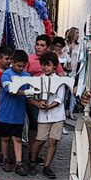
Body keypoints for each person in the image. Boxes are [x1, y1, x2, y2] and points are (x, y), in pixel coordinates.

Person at [26, 34, 65, 166]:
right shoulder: (37, 77)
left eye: (48, 65)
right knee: (39, 138)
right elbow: (29, 95)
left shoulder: (59, 79)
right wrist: (37, 103)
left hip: (57, 114)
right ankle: (32, 159)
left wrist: (50, 105)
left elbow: (60, 97)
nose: (45, 68)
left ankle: (47, 166)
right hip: (42, 112)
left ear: (54, 66)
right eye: (44, 65)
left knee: (53, 140)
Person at [0, 50, 35, 176]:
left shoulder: (27, 76)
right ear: (12, 62)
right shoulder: (6, 75)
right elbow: (11, 90)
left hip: (18, 114)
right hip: (5, 113)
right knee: (5, 139)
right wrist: (25, 92)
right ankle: (5, 159)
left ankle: (19, 163)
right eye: (18, 65)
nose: (21, 68)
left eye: (23, 66)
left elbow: (31, 92)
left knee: (17, 139)